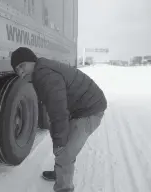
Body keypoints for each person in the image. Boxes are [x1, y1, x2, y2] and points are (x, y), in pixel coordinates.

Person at [11, 47, 107, 192]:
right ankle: (60, 174)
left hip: (90, 110)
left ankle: (64, 188)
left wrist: (59, 143)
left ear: (31, 61)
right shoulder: (40, 72)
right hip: (79, 107)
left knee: (66, 151)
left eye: (21, 65)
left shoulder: (45, 75)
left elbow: (58, 113)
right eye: (16, 69)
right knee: (63, 144)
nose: (20, 72)